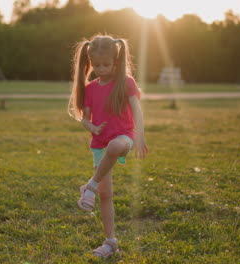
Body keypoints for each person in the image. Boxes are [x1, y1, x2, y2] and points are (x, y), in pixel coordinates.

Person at [68, 35, 149, 258]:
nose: (101, 69)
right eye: (96, 65)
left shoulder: (126, 82)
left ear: (116, 60)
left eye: (106, 64)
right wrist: (92, 128)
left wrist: (140, 136)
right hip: (99, 144)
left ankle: (90, 185)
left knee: (115, 145)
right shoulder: (91, 88)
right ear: (90, 62)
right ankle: (110, 242)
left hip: (124, 137)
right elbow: (85, 118)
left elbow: (137, 110)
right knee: (106, 195)